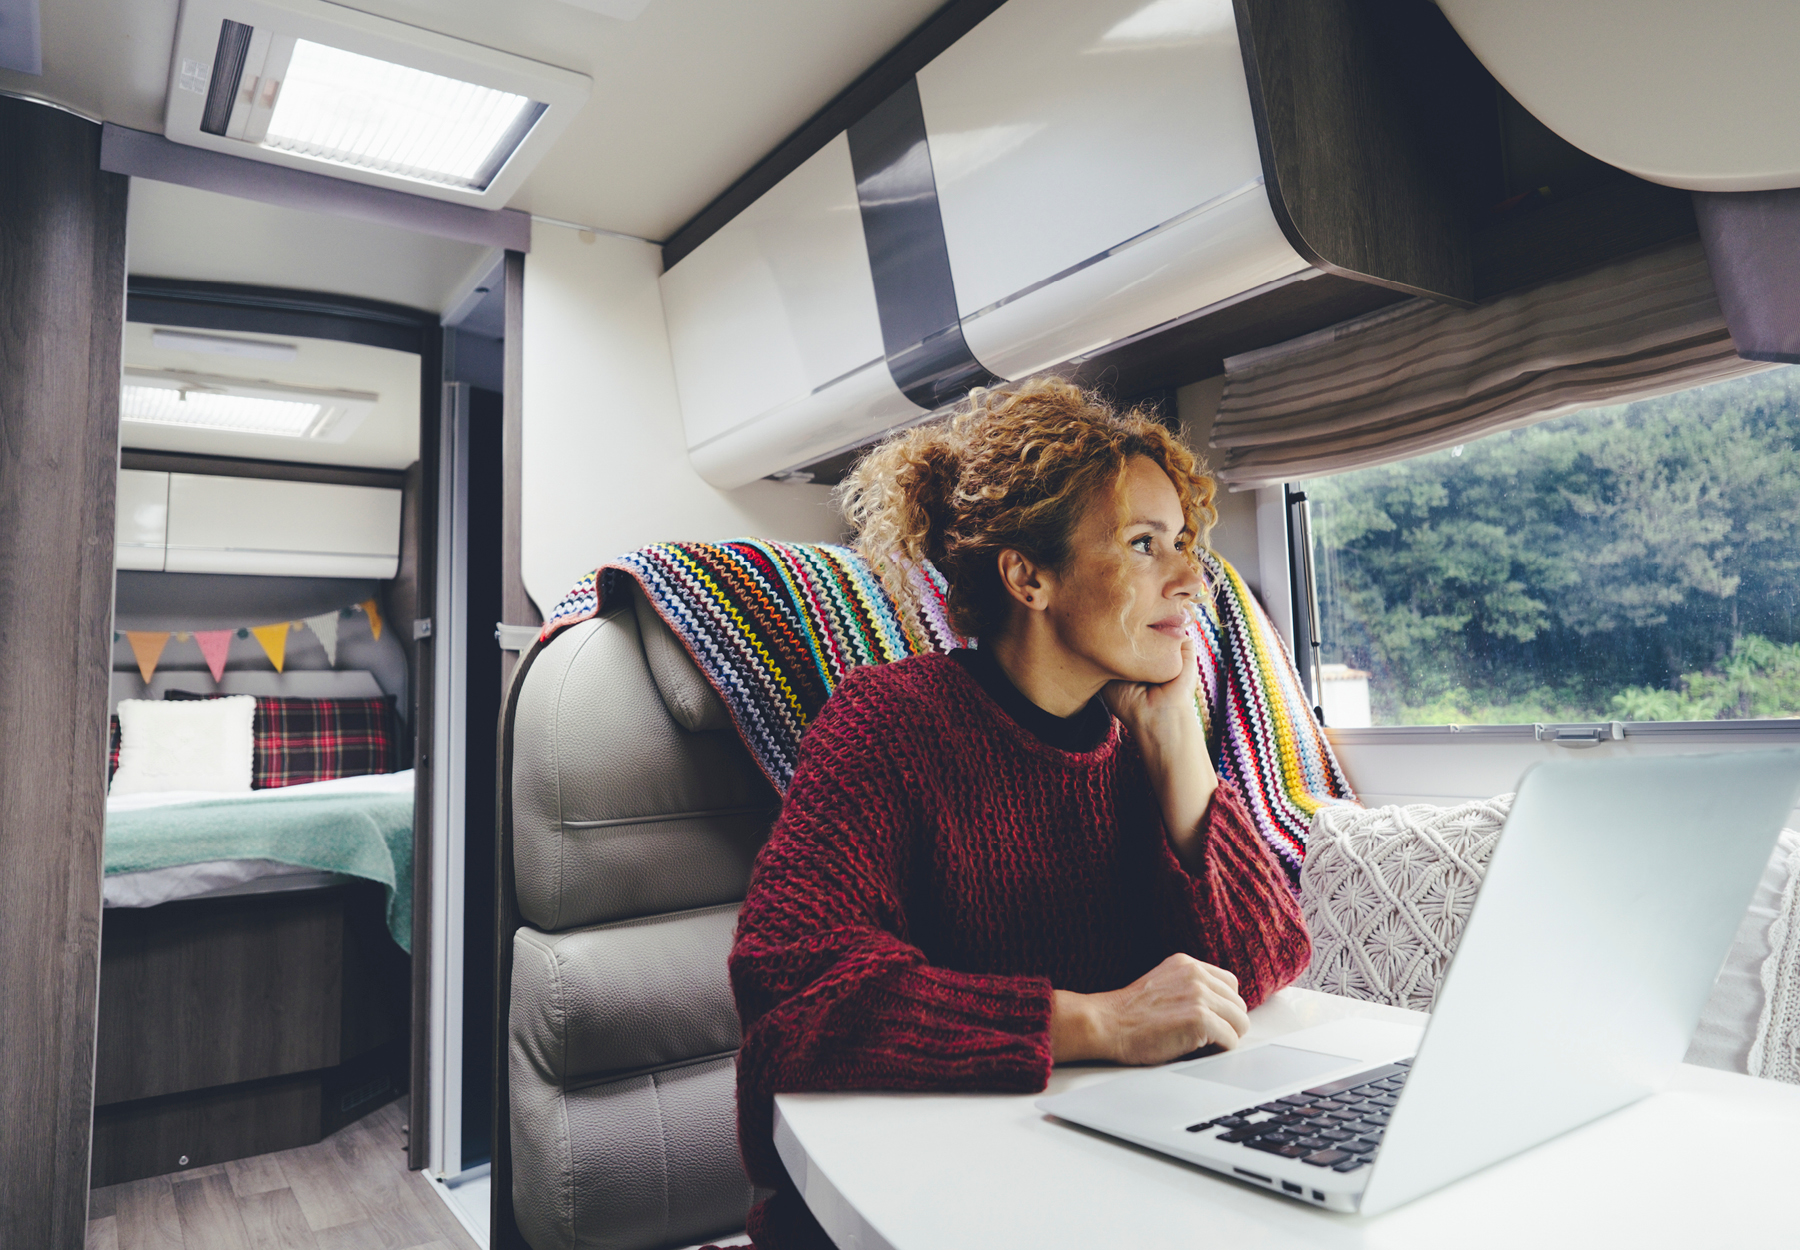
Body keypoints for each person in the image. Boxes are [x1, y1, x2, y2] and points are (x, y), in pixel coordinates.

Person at [727, 378, 1311, 1248]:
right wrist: (1095, 1022)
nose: (1194, 578)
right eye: (1146, 545)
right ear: (1029, 576)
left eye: (1184, 542)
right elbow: (794, 997)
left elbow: (1264, 960)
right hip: (907, 1209)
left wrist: (1176, 745)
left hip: (1095, 1195)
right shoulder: (887, 722)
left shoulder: (1141, 739)